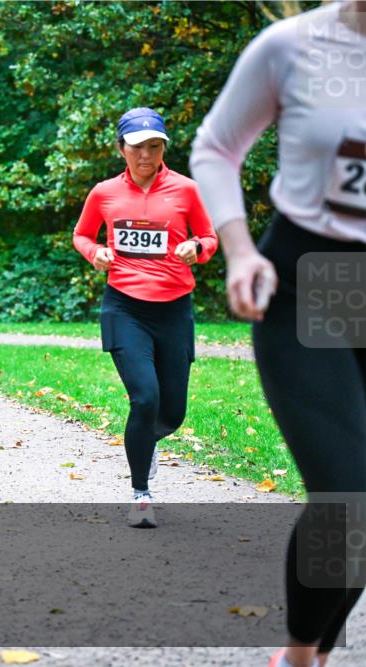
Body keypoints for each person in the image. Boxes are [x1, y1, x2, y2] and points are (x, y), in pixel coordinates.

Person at [190, 2, 364, 664]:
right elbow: (216, 146)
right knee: (347, 494)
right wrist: (238, 249)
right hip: (308, 280)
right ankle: (298, 655)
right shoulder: (291, 45)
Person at [73, 107, 218, 528]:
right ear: (122, 149)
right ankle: (141, 493)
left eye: (154, 147)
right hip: (124, 307)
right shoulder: (103, 193)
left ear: (163, 149)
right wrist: (95, 252)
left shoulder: (186, 190)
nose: (146, 156)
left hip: (175, 311)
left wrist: (197, 247)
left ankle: (145, 443)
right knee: (145, 398)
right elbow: (82, 234)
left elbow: (209, 236)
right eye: (137, 147)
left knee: (172, 414)